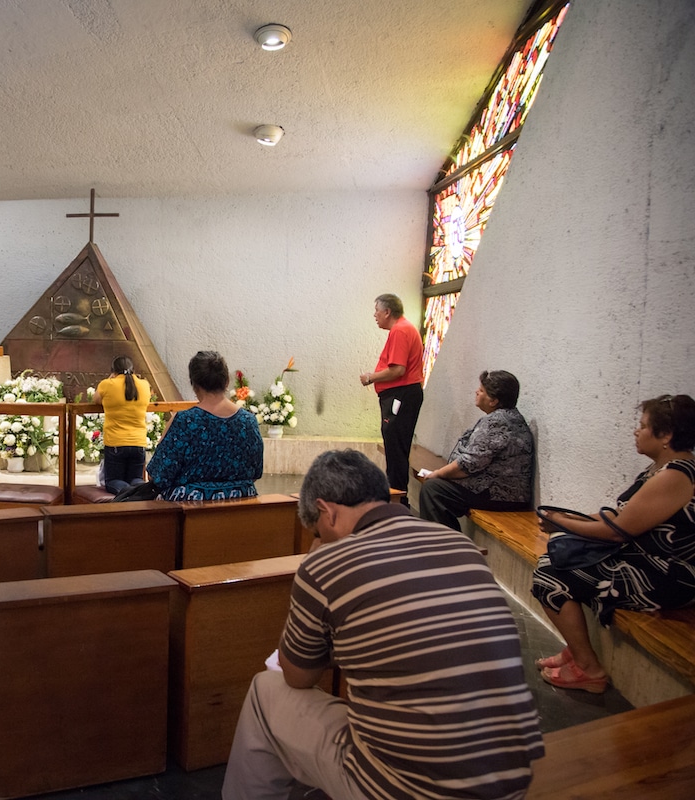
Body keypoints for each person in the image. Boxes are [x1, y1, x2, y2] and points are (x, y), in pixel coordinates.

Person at [222, 450, 543, 800]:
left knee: (265, 691)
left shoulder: (326, 563)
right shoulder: (460, 544)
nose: (318, 542)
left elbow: (297, 677)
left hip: (410, 791)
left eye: (317, 532)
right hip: (510, 781)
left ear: (327, 512)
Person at [531, 394, 695, 693]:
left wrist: (560, 523)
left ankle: (589, 669)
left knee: (549, 575)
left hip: (668, 577)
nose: (636, 431)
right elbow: (617, 514)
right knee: (556, 557)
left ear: (666, 435)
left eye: (643, 425)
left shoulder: (676, 475)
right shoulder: (660, 469)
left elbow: (617, 531)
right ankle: (576, 650)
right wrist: (565, 516)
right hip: (643, 561)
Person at [418, 370, 534, 530]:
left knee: (434, 489)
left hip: (500, 494)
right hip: (500, 491)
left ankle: (447, 548)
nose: (476, 392)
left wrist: (438, 473)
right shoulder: (508, 417)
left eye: (481, 391)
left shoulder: (497, 422)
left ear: (493, 401)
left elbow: (469, 464)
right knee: (439, 485)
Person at [146, 351, 262, 501]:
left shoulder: (185, 422)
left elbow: (157, 476)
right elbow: (256, 472)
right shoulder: (249, 421)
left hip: (191, 511)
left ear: (194, 384)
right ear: (226, 381)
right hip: (241, 508)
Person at [360, 293, 423, 500]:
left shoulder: (400, 330)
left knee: (396, 450)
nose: (374, 315)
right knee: (394, 448)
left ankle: (397, 502)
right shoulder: (402, 328)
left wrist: (371, 377)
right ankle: (395, 498)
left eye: (377, 311)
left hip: (401, 395)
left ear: (387, 312)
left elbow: (398, 370)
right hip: (401, 395)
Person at [93, 355, 151, 494]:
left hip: (116, 444)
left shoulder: (107, 384)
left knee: (113, 481)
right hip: (138, 443)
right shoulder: (144, 385)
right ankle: (139, 491)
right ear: (133, 370)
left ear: (113, 371)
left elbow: (96, 400)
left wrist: (111, 379)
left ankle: (128, 493)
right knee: (136, 478)